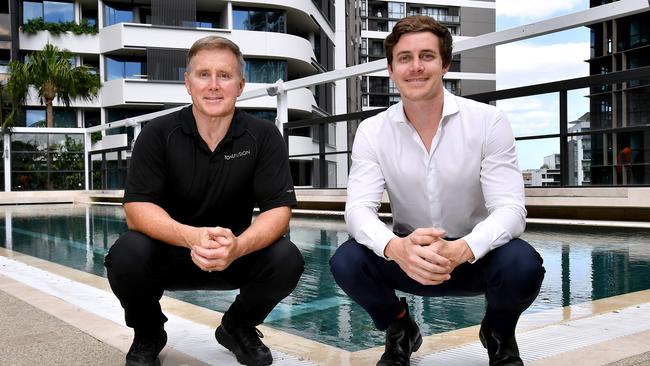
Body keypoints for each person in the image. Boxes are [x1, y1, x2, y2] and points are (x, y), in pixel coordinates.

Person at [330, 16, 545, 366]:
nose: (416, 67)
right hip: (408, 257)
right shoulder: (372, 131)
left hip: (473, 256)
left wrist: (463, 248)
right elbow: (357, 211)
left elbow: (510, 209)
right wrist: (395, 247)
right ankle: (400, 329)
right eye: (405, 58)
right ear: (391, 69)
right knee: (347, 261)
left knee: (524, 265)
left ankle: (499, 331)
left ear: (445, 64)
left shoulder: (488, 122)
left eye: (427, 56)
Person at [104, 35, 304, 366]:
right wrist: (191, 237)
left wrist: (237, 246)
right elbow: (137, 211)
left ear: (240, 85)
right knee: (126, 254)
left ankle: (237, 325)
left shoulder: (264, 136)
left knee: (287, 257)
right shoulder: (157, 133)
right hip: (171, 253)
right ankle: (149, 330)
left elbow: (278, 212)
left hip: (233, 253)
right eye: (203, 74)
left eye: (224, 76)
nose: (213, 85)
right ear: (187, 82)